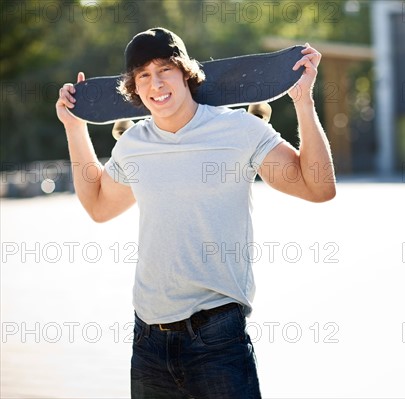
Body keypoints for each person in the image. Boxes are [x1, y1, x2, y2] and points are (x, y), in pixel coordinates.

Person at [55, 27, 335, 398]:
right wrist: (75, 128)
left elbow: (318, 187)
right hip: (149, 342)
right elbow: (98, 207)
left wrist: (304, 102)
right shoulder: (135, 144)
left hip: (217, 340)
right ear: (134, 89)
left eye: (164, 69)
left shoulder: (239, 130)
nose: (156, 83)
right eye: (143, 75)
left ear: (186, 73)